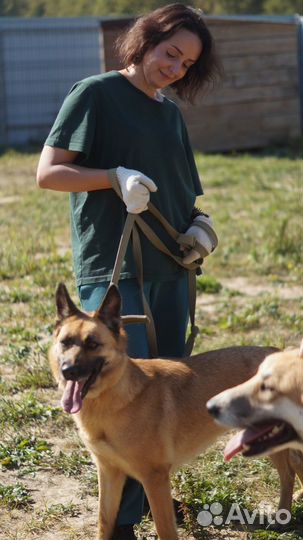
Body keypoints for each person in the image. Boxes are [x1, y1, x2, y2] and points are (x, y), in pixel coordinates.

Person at [37, 4, 221, 539]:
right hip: (116, 267)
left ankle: (148, 496)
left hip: (171, 268)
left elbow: (185, 190)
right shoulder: (94, 94)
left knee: (161, 398)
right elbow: (49, 174)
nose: (175, 67)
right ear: (144, 41)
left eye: (187, 62)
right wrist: (111, 177)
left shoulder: (168, 113)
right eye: (171, 52)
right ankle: (120, 525)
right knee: (117, 395)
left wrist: (201, 224)